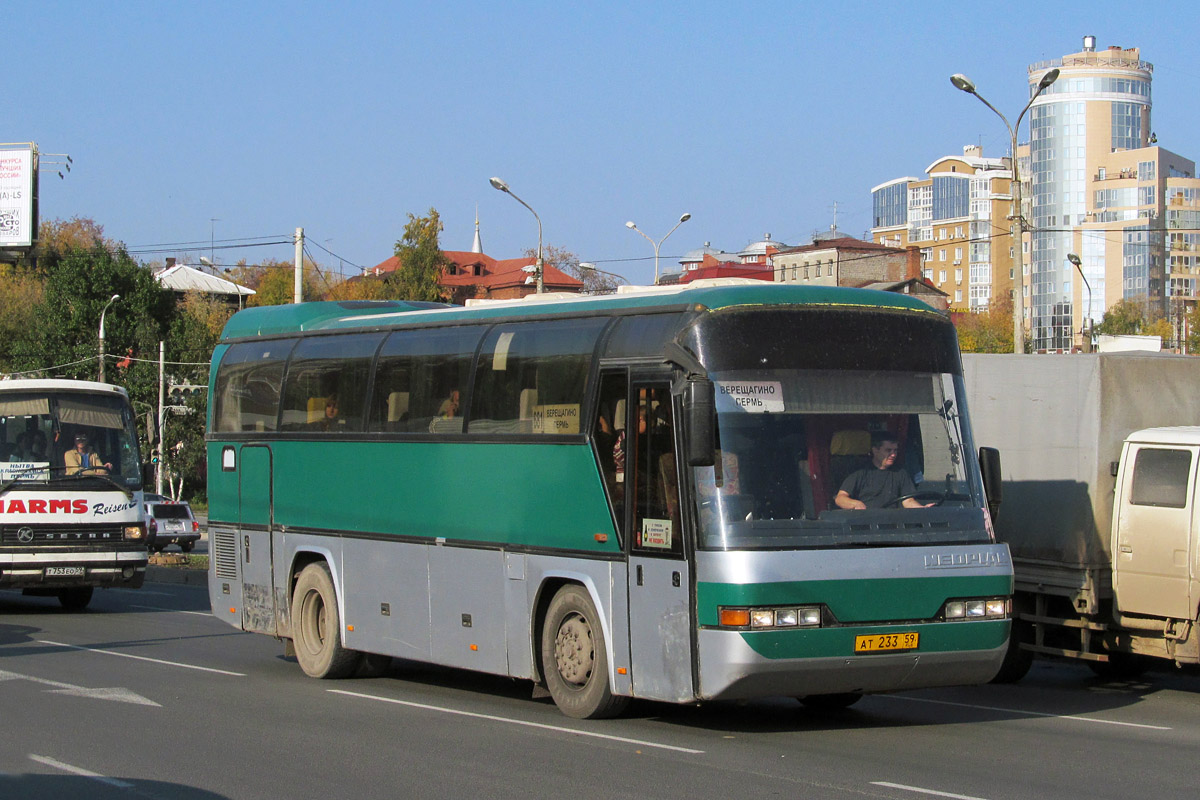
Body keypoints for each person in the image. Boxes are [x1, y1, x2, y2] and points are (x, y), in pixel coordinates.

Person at [834, 432, 930, 509]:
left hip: (892, 523)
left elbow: (908, 501)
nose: (893, 455)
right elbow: (840, 498)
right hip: (865, 523)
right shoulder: (860, 472)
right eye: (888, 450)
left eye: (895, 450)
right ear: (875, 450)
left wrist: (923, 508)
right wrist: (855, 504)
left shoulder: (901, 473)